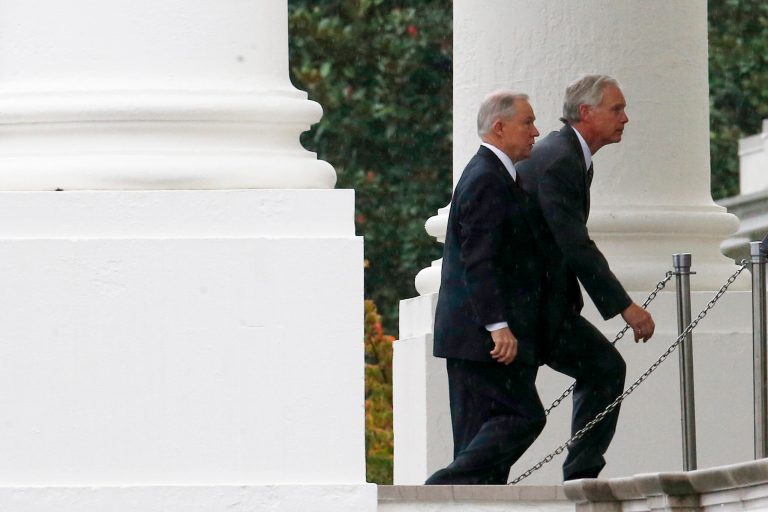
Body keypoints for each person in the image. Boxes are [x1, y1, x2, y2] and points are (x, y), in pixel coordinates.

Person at [516, 74, 656, 481]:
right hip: (532, 308)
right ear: (585, 112)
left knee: (597, 372)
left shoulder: (569, 156)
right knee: (600, 371)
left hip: (540, 304)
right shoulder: (561, 159)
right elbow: (574, 244)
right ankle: (581, 477)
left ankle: (580, 475)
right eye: (617, 109)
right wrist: (625, 307)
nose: (625, 118)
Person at [425, 90, 545, 485]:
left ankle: (455, 494)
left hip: (471, 339)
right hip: (479, 339)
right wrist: (498, 324)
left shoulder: (496, 175)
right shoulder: (486, 178)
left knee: (478, 441)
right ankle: (443, 487)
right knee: (524, 415)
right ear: (499, 127)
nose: (535, 131)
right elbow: (479, 260)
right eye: (527, 123)